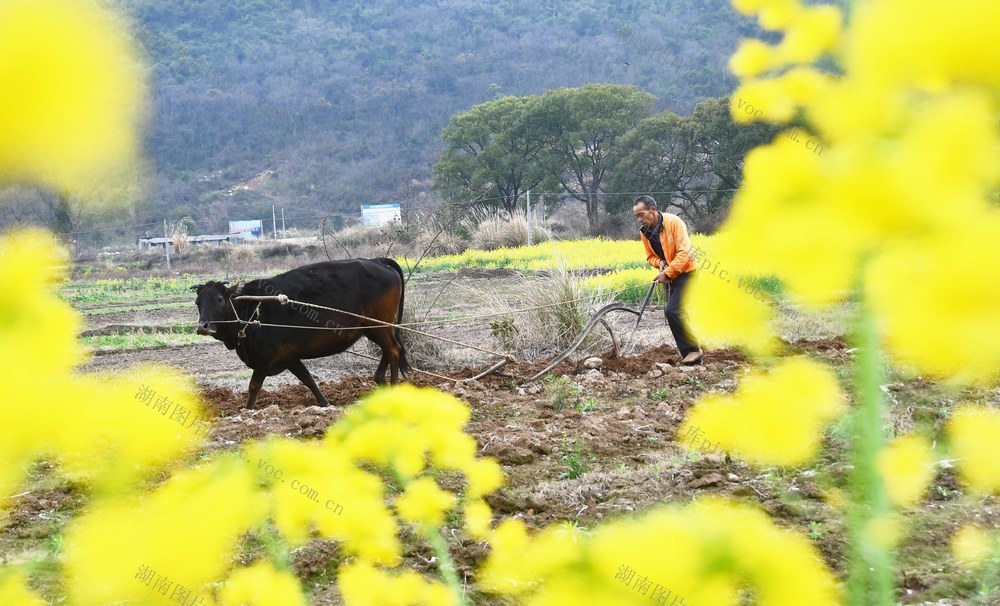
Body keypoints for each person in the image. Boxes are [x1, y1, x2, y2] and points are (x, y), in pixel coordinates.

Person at [633, 195, 703, 365]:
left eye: (641, 214)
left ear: (653, 210)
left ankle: (693, 350)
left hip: (687, 272)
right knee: (678, 313)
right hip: (669, 276)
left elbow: (684, 252)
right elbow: (650, 257)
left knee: (672, 311)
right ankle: (693, 358)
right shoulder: (645, 232)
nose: (639, 219)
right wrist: (660, 262)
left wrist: (668, 272)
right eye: (637, 216)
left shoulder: (674, 222)